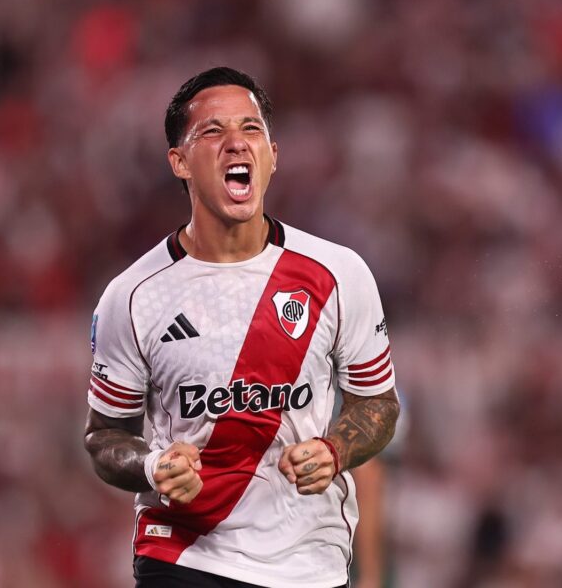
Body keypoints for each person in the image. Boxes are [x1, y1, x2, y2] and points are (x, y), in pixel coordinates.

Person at [83, 66, 400, 588]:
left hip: (307, 561)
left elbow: (378, 404)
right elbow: (105, 435)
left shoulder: (339, 274)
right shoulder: (133, 296)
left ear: (272, 155)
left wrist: (334, 450)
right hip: (184, 556)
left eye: (250, 129)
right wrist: (154, 466)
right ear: (179, 162)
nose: (236, 143)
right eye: (213, 131)